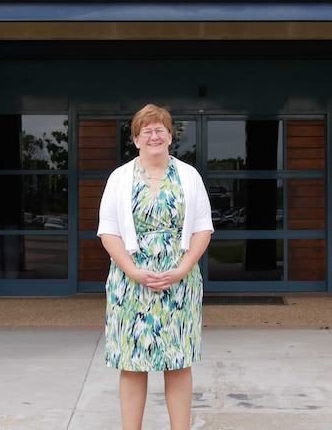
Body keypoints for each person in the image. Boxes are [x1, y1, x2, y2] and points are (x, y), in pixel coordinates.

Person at [97, 103, 214, 430]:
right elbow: (108, 231)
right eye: (145, 130)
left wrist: (182, 269)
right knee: (133, 363)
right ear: (135, 139)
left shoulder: (189, 176)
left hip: (179, 282)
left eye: (160, 128)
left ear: (169, 136)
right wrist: (133, 271)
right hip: (130, 283)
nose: (153, 135)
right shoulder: (119, 178)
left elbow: (203, 228)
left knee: (178, 361)